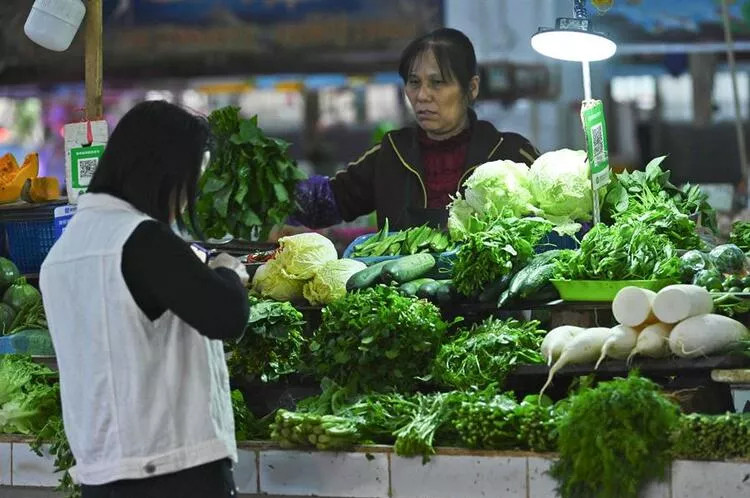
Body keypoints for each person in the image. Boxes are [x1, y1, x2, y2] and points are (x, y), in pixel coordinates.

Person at [39, 101, 250, 498]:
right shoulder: (141, 240)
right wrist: (228, 272)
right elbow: (227, 316)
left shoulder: (63, 253)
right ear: (163, 174)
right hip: (173, 473)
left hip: (102, 477)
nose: (187, 200)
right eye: (189, 183)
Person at [291, 27, 541, 231]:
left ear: (471, 88)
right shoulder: (390, 154)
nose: (422, 96)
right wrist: (268, 185)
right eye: (414, 82)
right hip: (402, 292)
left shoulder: (511, 153)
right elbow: (324, 203)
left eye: (437, 83)